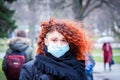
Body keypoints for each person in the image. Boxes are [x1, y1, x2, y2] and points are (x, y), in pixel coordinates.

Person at [19, 18, 93, 80]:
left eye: (64, 40)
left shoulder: (78, 66)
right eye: (54, 40)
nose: (59, 44)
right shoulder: (30, 69)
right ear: (46, 41)